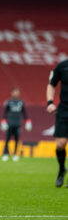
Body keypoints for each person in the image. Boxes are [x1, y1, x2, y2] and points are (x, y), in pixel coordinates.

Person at [46, 59, 68, 187]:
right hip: (64, 109)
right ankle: (61, 170)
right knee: (60, 144)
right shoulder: (62, 66)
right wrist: (50, 102)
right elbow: (51, 84)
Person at [0, 87, 32, 162]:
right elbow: (5, 113)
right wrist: (3, 121)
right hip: (10, 123)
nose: (16, 94)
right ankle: (5, 154)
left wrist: (28, 121)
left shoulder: (21, 102)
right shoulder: (9, 102)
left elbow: (24, 113)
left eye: (17, 92)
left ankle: (15, 154)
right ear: (12, 93)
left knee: (16, 140)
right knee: (7, 139)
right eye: (15, 92)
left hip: (18, 123)